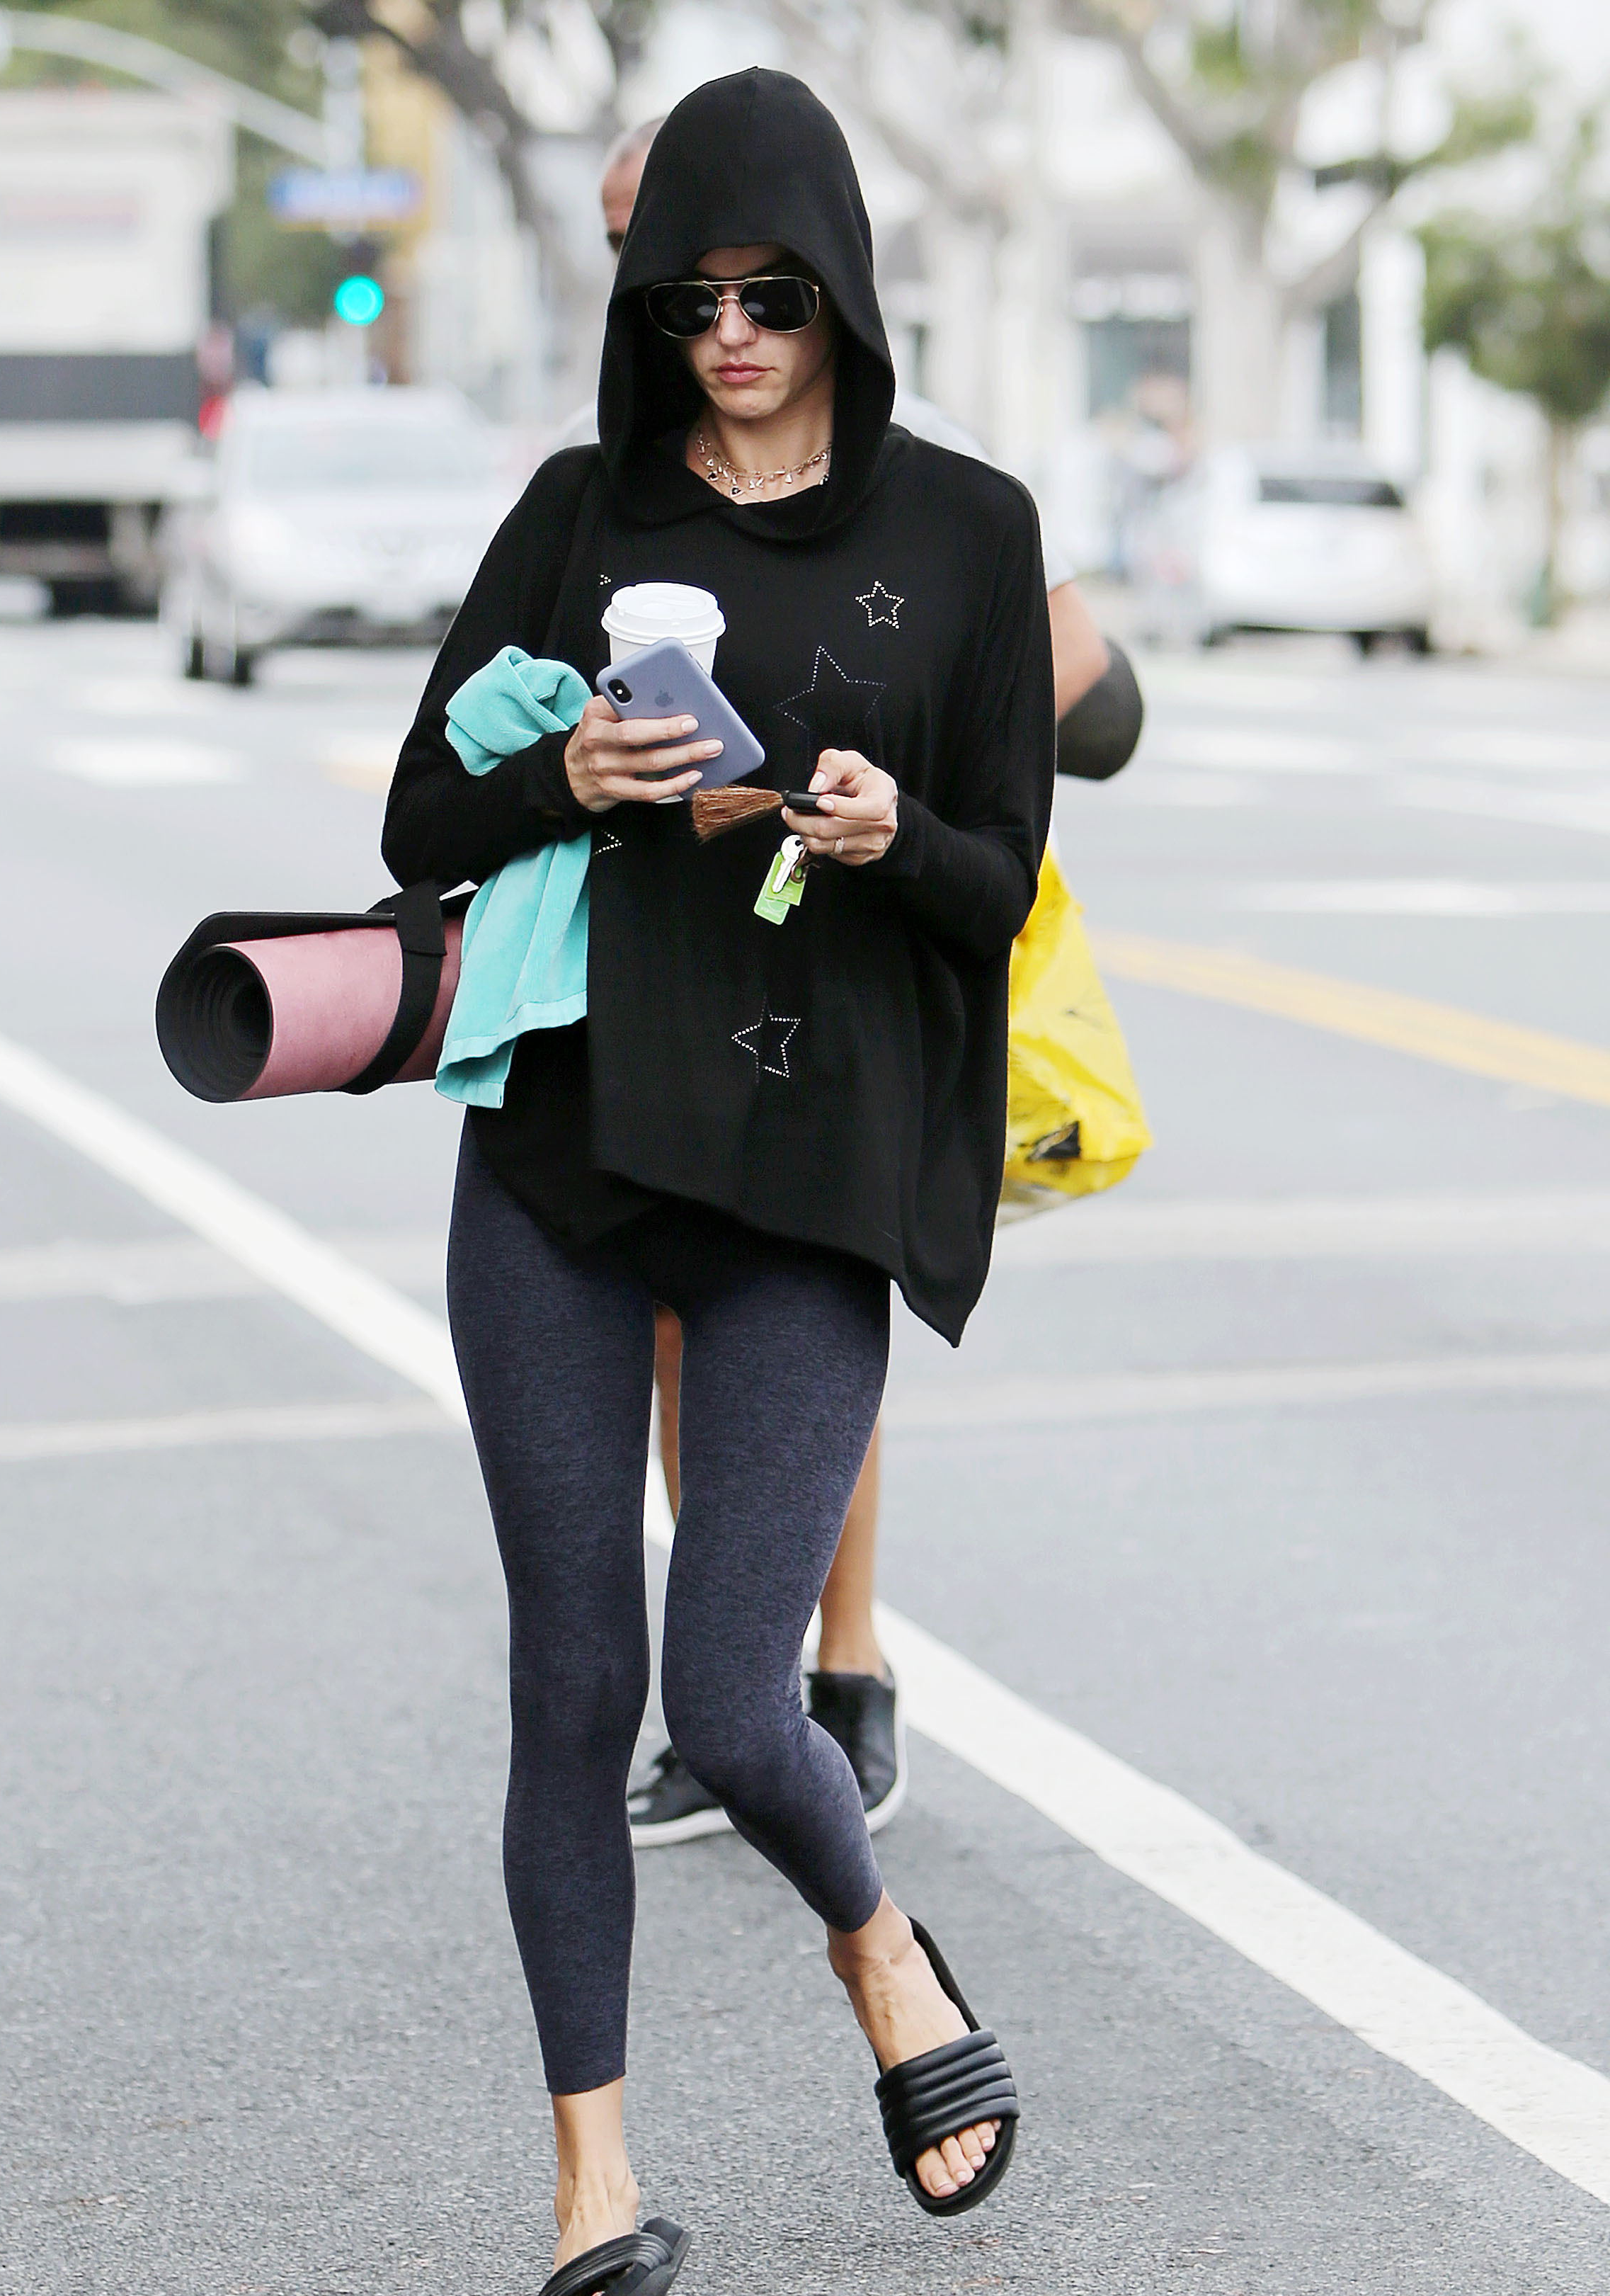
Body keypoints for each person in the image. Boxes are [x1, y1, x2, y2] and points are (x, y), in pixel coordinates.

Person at [384, 68, 1040, 2296]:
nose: (732, 337)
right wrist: (559, 768)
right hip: (559, 1167)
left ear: (843, 286)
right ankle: (594, 2178)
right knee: (572, 1688)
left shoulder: (970, 531)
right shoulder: (579, 511)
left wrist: (883, 832)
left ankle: (878, 1948)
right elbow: (418, 817)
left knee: (738, 1703)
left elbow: (1000, 885)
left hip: (804, 1179)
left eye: (772, 296)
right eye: (691, 303)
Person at [583, 116, 1136, 1846]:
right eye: (646, 263)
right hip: (688, 941)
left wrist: (888, 757)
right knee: (676, 1309)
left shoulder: (928, 451)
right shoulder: (637, 450)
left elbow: (1094, 689)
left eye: (720, 262)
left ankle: (846, 1665)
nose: (689, 299)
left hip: (865, 927)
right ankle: (735, 1680)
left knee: (803, 1285)